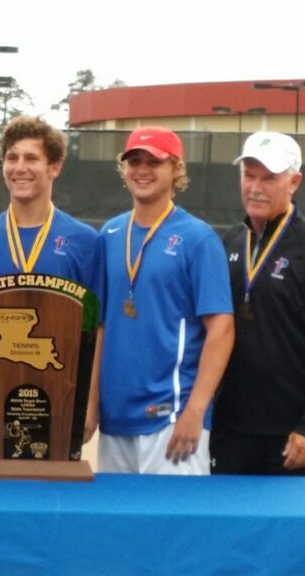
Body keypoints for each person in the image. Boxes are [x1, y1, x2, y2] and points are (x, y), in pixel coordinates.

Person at [0, 115, 99, 455]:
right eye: (12, 157)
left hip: (60, 408)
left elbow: (97, 328)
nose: (19, 167)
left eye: (31, 158)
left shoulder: (85, 242)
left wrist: (90, 401)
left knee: (52, 505)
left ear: (54, 167)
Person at [85, 126, 234, 475]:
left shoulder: (197, 239)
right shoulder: (109, 234)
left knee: (175, 529)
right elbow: (99, 326)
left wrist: (195, 411)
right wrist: (90, 405)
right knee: (120, 528)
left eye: (154, 162)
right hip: (116, 421)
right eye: (134, 161)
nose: (142, 170)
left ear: (176, 170)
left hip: (171, 419)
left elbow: (222, 329)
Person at [211, 131, 305, 491]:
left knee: (297, 543)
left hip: (294, 439)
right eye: (249, 175)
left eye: (269, 178)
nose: (255, 187)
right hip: (230, 433)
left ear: (295, 182)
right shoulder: (226, 243)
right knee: (232, 538)